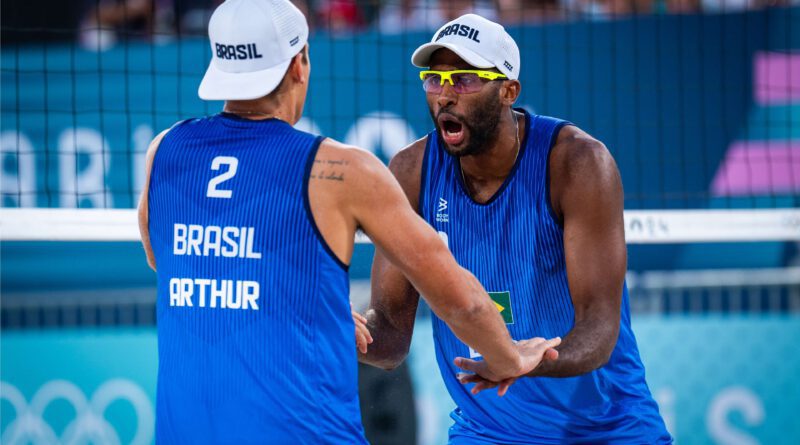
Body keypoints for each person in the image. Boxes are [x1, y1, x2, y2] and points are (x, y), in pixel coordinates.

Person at [137, 1, 560, 443]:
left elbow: (168, 261)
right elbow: (462, 302)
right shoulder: (342, 170)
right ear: (300, 65)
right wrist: (509, 357)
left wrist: (299, 303)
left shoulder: (164, 151)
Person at [357, 13, 673, 444]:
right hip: (487, 431)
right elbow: (391, 339)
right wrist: (339, 333)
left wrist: (527, 360)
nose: (445, 95)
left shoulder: (577, 163)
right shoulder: (411, 171)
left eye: (465, 79)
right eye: (435, 79)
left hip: (608, 428)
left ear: (508, 91)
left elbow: (599, 328)